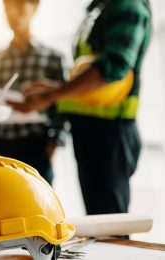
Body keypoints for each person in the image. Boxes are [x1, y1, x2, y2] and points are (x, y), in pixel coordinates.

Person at [9, 0, 152, 214]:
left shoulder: (127, 5)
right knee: (99, 218)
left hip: (110, 133)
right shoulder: (99, 8)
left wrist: (51, 95)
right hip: (90, 131)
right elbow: (87, 70)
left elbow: (111, 68)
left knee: (109, 224)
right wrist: (56, 89)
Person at [0, 0, 66, 185]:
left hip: (36, 146)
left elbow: (62, 108)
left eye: (19, 5)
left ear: (35, 7)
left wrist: (54, 142)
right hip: (1, 149)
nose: (13, 12)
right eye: (7, 6)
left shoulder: (54, 58)